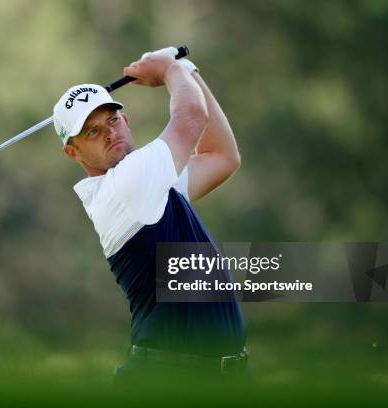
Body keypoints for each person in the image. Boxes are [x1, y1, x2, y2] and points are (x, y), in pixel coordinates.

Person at [53, 48, 247, 386]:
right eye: (92, 132)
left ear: (125, 120)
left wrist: (188, 68)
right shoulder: (127, 185)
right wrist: (170, 69)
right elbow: (192, 116)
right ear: (73, 152)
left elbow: (222, 156)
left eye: (112, 120)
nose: (110, 133)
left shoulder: (151, 185)